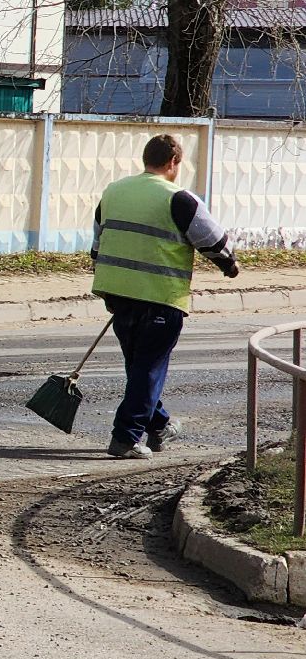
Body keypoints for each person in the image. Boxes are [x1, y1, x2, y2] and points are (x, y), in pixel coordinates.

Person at [91, 134, 238, 459]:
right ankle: (125, 438)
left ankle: (159, 426)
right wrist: (230, 265)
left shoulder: (114, 192)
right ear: (173, 163)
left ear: (146, 159)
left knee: (139, 366)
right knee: (148, 369)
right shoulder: (179, 199)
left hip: (117, 295)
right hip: (159, 297)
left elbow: (98, 242)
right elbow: (214, 243)